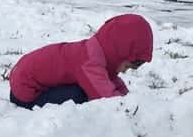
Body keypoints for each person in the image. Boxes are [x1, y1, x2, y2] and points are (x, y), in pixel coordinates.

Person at [9, 14, 153, 109]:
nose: (124, 71)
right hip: (26, 94)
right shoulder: (90, 62)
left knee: (85, 87)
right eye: (127, 66)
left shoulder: (96, 52)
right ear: (118, 52)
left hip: (25, 80)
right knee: (80, 95)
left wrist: (128, 97)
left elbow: (111, 81)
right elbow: (107, 100)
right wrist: (126, 107)